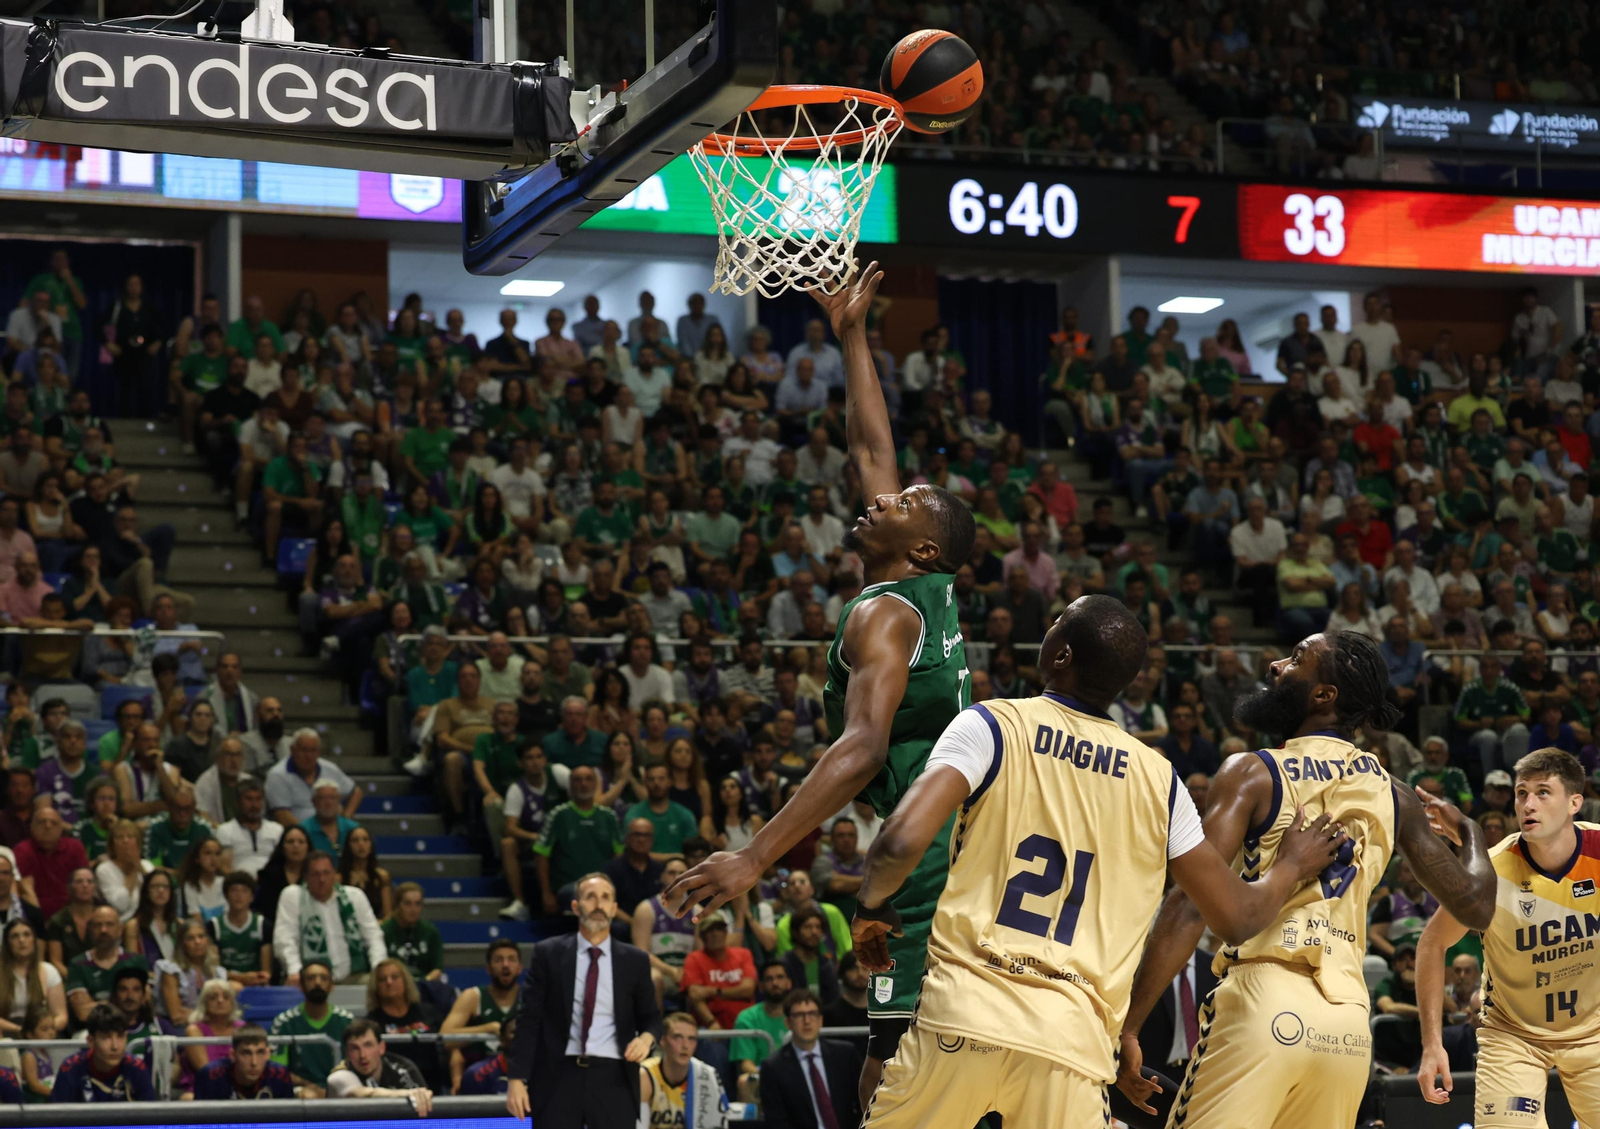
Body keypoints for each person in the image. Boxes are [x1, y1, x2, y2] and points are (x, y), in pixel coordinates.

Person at [850, 595, 1345, 1128]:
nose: (1048, 626)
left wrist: (871, 906)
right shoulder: (1160, 781)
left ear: (1061, 655)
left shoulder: (992, 724)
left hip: (964, 1015)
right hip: (1073, 1045)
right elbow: (1236, 917)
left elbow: (899, 843)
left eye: (1056, 621)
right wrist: (1290, 865)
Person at [667, 264, 976, 1101]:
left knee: (890, 1065)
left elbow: (862, 747)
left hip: (925, 864)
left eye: (901, 504)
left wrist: (754, 854)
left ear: (921, 548)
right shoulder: (929, 584)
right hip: (945, 842)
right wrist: (852, 335)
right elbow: (872, 449)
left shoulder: (886, 616)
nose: (880, 497)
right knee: (911, 1048)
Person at [1116, 630, 1500, 1129]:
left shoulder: (1252, 771)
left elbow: (1189, 904)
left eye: (1295, 659)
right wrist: (1470, 832)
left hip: (1263, 1000)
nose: (1276, 666)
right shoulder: (1396, 794)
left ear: (1323, 695)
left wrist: (1129, 1028)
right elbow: (1476, 906)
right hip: (1348, 1026)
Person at [1416, 749, 1598, 1126]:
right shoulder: (1492, 871)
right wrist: (1432, 1043)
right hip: (1513, 1037)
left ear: (1574, 803)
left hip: (1594, 1031)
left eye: (1543, 792)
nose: (1528, 804)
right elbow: (1432, 943)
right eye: (1521, 793)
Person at [504, 872, 661, 1127]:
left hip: (614, 1076)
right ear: (576, 907)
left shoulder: (635, 960)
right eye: (590, 897)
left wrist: (646, 1038)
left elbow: (651, 1017)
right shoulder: (549, 953)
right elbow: (528, 1019)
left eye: (605, 897)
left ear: (614, 908)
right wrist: (516, 1078)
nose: (598, 904)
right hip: (558, 1075)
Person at [272, 851, 386, 985]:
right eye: (316, 874)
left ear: (335, 874)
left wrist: (378, 969)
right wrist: (295, 972)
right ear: (306, 877)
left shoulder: (354, 896)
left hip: (353, 975)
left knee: (383, 983)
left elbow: (373, 937)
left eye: (326, 873)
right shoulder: (293, 896)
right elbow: (285, 940)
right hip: (311, 978)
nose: (322, 879)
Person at [758, 988, 861, 1129]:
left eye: (812, 1014)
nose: (807, 1021)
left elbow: (864, 1102)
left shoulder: (845, 1054)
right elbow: (776, 1121)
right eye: (799, 1015)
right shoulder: (773, 1067)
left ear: (820, 1020)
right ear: (788, 1022)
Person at [440, 938, 521, 1093]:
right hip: (480, 1080)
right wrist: (488, 1028)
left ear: (519, 968)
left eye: (511, 959)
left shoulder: (531, 997)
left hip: (522, 1075)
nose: (505, 965)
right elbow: (445, 1038)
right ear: (488, 968)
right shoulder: (472, 996)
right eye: (498, 960)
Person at [268, 960, 353, 1095]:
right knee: (308, 1096)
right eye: (311, 978)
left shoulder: (347, 1020)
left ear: (332, 986)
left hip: (340, 1086)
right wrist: (310, 1086)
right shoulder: (284, 1022)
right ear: (301, 985)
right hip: (300, 1088)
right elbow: (278, 1070)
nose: (317, 983)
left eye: (323, 978)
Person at [639, 1011, 731, 1129]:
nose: (685, 1045)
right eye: (677, 1037)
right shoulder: (646, 1075)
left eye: (691, 1039)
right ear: (663, 1040)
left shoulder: (705, 1075)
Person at [52, 1002, 157, 1102]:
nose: (115, 1046)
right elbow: (58, 1113)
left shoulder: (137, 1068)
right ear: (91, 1041)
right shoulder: (70, 1068)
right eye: (106, 1038)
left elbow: (151, 1112)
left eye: (120, 1037)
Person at [325, 1018, 433, 1113]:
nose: (362, 1055)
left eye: (368, 1045)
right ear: (347, 1053)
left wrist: (421, 1096)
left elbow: (424, 1104)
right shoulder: (339, 1076)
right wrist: (409, 1094)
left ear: (382, 1047)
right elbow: (365, 1094)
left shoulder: (404, 1068)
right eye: (355, 1048)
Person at [680, 915, 756, 1029]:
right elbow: (695, 995)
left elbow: (748, 990)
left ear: (725, 933)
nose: (715, 934)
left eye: (719, 929)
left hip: (746, 1024)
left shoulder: (743, 954)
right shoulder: (694, 958)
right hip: (711, 1027)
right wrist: (711, 1023)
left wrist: (713, 991)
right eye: (710, 930)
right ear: (702, 936)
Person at [192, 1025, 297, 1099]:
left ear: (268, 1054)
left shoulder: (280, 1075)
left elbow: (289, 1120)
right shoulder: (210, 1076)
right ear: (233, 1055)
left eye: (260, 1052)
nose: (254, 1062)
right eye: (246, 1053)